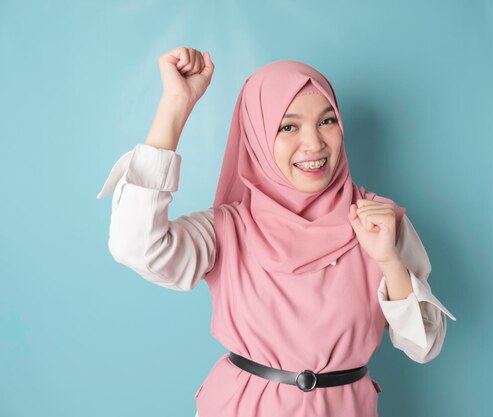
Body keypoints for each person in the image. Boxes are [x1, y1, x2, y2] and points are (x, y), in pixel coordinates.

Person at [96, 46, 456, 417]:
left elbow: (423, 346)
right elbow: (135, 245)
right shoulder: (227, 228)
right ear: (255, 135)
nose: (314, 144)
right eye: (288, 126)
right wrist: (176, 104)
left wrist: (389, 261)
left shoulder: (378, 221)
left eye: (327, 121)